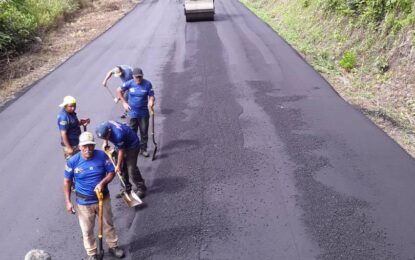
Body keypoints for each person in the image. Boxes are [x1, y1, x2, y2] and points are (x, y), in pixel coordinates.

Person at [64, 132, 125, 260]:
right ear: (80, 147)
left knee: (108, 224)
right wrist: (68, 202)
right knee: (87, 230)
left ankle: (113, 246)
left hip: (103, 198)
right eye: (85, 146)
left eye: (90, 146)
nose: (88, 149)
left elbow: (111, 172)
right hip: (84, 203)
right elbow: (67, 182)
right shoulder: (73, 161)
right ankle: (92, 253)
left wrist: (102, 183)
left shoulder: (102, 156)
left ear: (93, 146)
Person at [95, 120, 147, 198]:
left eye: (106, 136)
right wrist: (105, 142)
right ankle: (126, 188)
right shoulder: (105, 126)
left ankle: (141, 188)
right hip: (120, 145)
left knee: (131, 169)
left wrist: (118, 165)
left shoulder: (118, 135)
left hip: (132, 146)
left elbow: (121, 151)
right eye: (103, 137)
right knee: (121, 170)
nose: (105, 138)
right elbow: (105, 135)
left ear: (109, 131)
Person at [117, 67, 155, 157]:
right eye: (137, 77)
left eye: (140, 77)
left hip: (143, 113)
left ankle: (143, 149)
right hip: (132, 112)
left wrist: (151, 101)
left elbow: (151, 96)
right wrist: (124, 103)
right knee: (131, 131)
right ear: (133, 77)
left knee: (144, 131)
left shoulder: (147, 84)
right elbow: (119, 90)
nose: (138, 79)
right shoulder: (129, 83)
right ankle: (132, 149)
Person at [57, 96, 90, 160]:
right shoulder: (63, 117)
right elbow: (63, 133)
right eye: (71, 106)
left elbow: (72, 125)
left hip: (77, 143)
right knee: (73, 164)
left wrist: (80, 123)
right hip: (71, 145)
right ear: (65, 106)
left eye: (74, 106)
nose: (73, 108)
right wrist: (69, 148)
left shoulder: (71, 113)